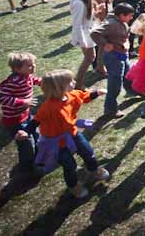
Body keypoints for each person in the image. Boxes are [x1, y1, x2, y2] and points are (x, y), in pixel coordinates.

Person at [27, 70, 110, 198]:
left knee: (87, 151)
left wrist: (97, 93)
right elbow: (35, 122)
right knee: (69, 165)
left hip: (72, 133)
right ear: (59, 88)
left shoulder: (73, 95)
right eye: (70, 81)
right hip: (55, 141)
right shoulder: (48, 107)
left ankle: (93, 169)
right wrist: (25, 132)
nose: (74, 82)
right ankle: (73, 186)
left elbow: (84, 96)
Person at [0, 52, 41, 173]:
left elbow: (35, 80)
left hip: (26, 115)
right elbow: (0, 98)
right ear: (17, 69)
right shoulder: (14, 81)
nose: (33, 66)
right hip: (14, 121)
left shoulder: (27, 76)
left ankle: (39, 159)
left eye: (33, 63)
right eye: (29, 65)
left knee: (36, 135)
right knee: (26, 145)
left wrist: (47, 83)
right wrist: (23, 101)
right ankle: (27, 169)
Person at [91, 3, 136, 118]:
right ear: (121, 15)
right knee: (115, 84)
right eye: (129, 16)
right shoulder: (111, 24)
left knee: (128, 75)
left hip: (122, 54)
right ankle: (110, 109)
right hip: (114, 58)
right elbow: (95, 33)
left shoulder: (119, 21)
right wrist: (105, 44)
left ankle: (133, 91)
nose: (131, 18)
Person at [70, 0, 98, 88]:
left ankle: (79, 80)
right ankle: (78, 82)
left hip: (87, 31)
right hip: (84, 34)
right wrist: (82, 41)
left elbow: (86, 17)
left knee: (89, 57)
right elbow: (77, 24)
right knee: (90, 57)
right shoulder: (79, 3)